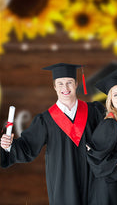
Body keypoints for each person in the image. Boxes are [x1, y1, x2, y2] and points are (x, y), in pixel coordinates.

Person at [0, 63, 104, 205]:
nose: (65, 88)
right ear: (54, 86)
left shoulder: (94, 112)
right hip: (62, 184)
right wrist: (9, 146)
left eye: (69, 83)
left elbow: (107, 138)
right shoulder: (45, 120)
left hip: (93, 181)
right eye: (60, 84)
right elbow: (27, 147)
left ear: (76, 84)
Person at [87, 69, 117, 205]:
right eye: (116, 95)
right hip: (107, 187)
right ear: (110, 100)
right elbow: (94, 157)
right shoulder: (109, 124)